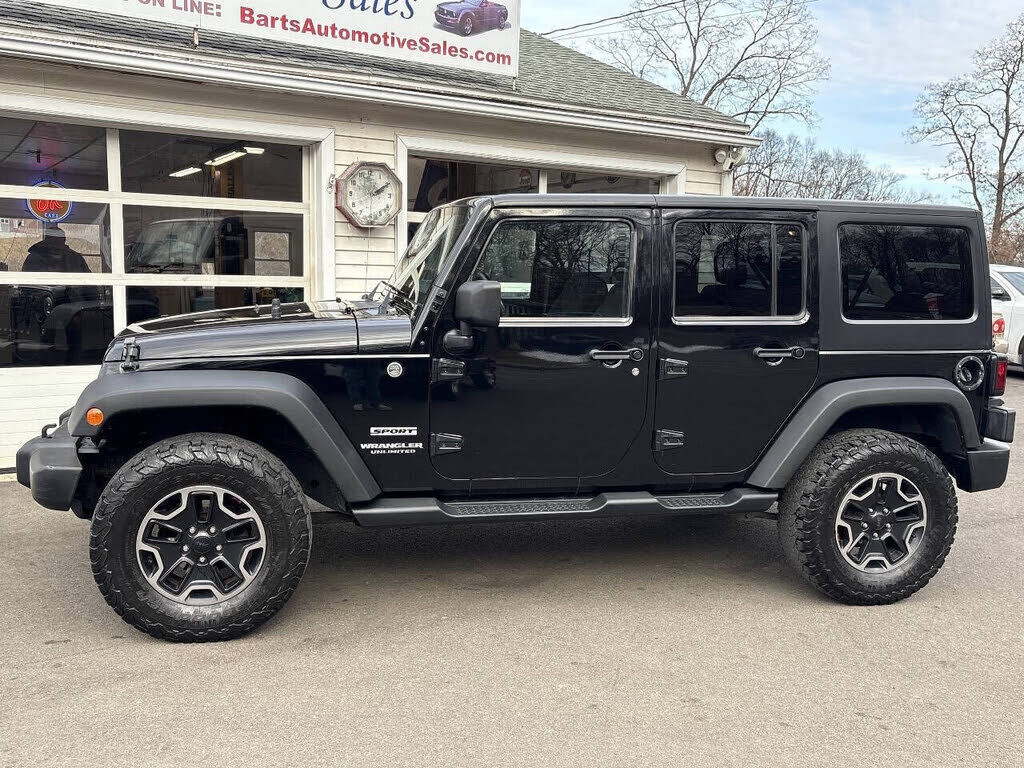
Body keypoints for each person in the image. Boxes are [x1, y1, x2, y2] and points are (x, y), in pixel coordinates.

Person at [23, 227, 91, 273]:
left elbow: (89, 285)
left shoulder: (76, 259)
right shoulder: (33, 259)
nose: (55, 243)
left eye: (57, 240)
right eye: (52, 239)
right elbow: (26, 284)